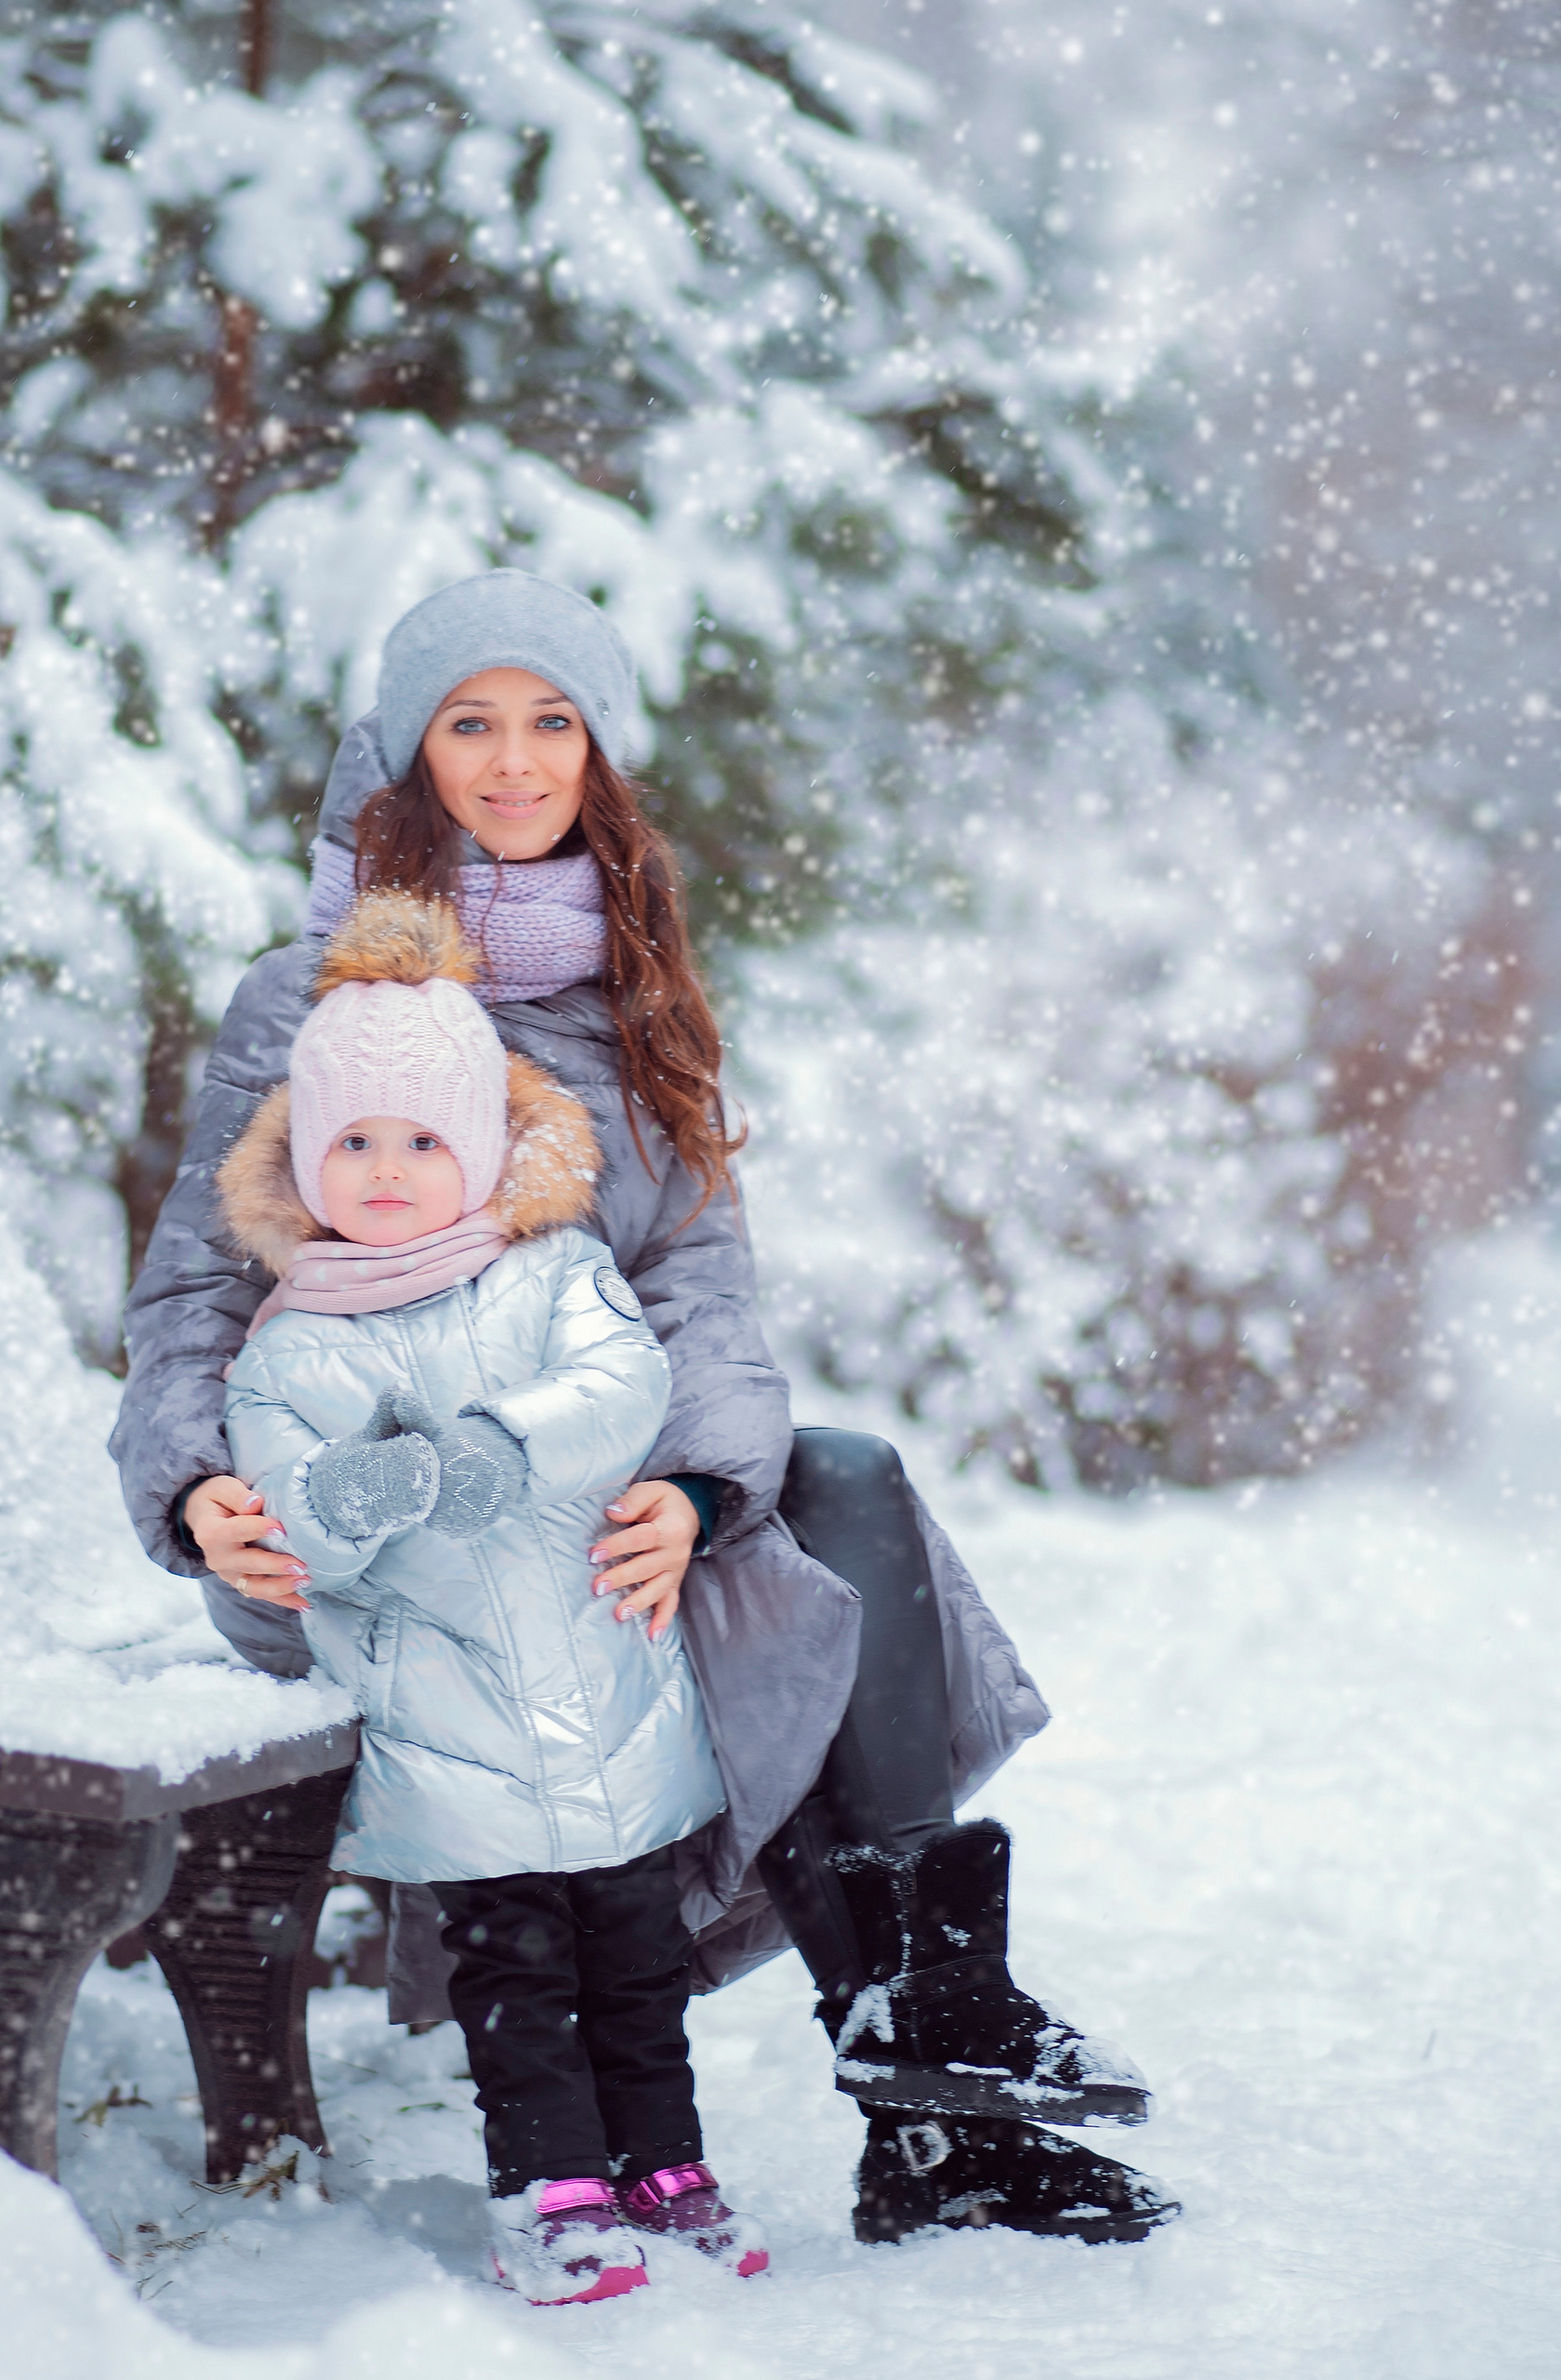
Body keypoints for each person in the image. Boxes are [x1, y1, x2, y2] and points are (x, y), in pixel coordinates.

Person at [112, 568, 1178, 2245]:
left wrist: (692, 1489)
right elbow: (189, 1293)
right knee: (788, 1590)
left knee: (826, 1492)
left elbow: (699, 1294)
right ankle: (931, 2092)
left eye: (553, 723)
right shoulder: (307, 999)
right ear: (406, 756)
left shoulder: (635, 996)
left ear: (599, 756)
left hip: (582, 1491)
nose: (514, 761)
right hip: (359, 1528)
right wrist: (193, 1494)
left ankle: (934, 2058)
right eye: (471, 723)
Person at [213, 887, 767, 2304]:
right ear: (305, 1160)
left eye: (422, 1140)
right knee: (513, 1975)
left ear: (479, 1147)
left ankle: (663, 2162)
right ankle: (550, 2190)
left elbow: (624, 1382)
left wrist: (503, 1446)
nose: (388, 1171)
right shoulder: (290, 1348)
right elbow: (292, 1510)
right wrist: (361, 1495)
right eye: (353, 1142)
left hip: (605, 1687)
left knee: (638, 1960)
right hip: (445, 1720)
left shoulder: (554, 1270)